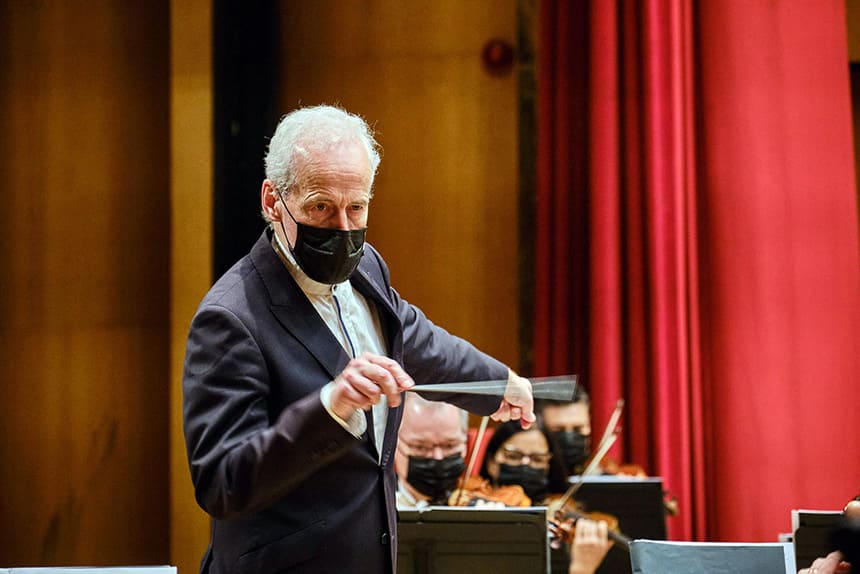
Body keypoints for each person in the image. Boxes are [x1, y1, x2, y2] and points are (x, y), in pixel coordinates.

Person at [181, 104, 535, 574]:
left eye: (357, 207)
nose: (344, 230)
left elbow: (410, 333)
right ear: (272, 201)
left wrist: (497, 383)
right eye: (321, 207)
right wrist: (331, 407)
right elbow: (223, 483)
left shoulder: (366, 265)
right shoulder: (230, 318)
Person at [479, 420, 612, 574]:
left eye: (537, 459)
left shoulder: (558, 524)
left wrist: (581, 569)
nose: (526, 464)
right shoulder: (471, 507)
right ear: (491, 462)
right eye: (514, 456)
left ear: (548, 466)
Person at [394, 393, 468, 508]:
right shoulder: (374, 506)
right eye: (420, 447)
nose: (438, 457)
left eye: (450, 446)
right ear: (394, 445)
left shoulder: (478, 503)